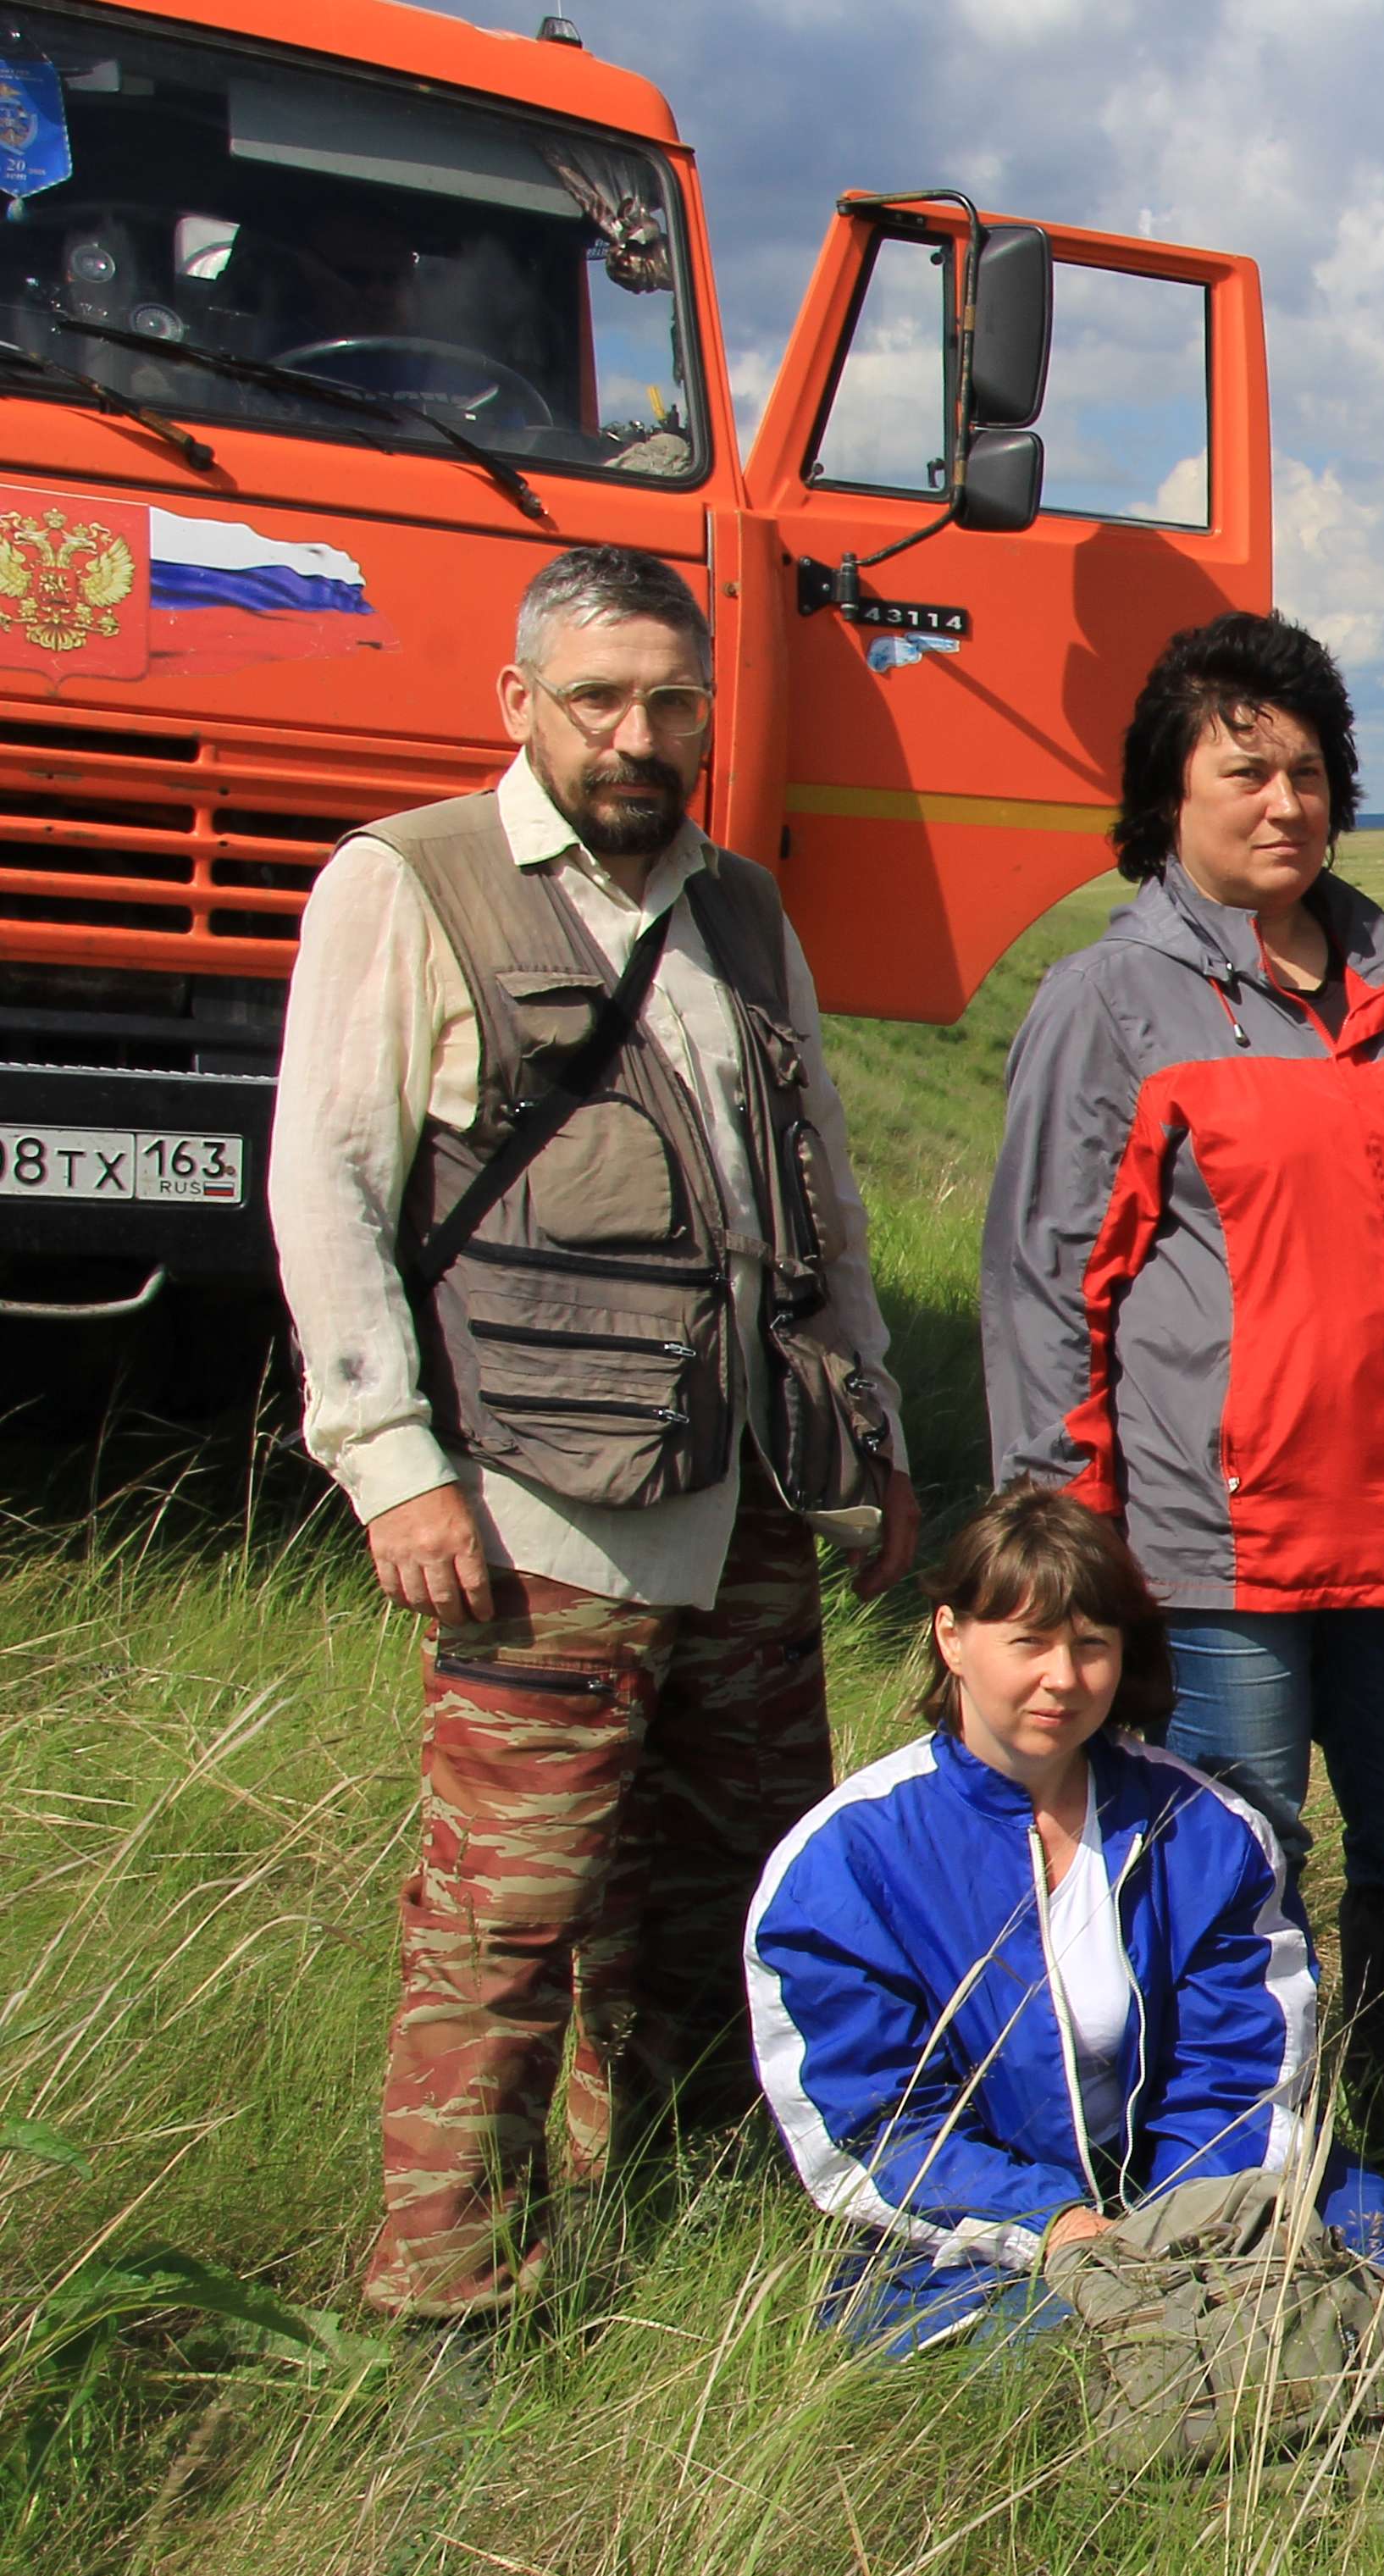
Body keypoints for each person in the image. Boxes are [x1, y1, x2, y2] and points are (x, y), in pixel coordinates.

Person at [270, 541, 920, 2333]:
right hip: (535, 1505)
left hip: (751, 1502)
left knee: (741, 1893)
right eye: (599, 700)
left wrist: (867, 1429)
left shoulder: (743, 908)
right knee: (507, 1924)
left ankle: (691, 2215)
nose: (638, 736)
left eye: (672, 702)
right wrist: (392, 1465)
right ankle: (449, 2297)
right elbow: (324, 1189)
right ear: (519, 704)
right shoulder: (408, 881)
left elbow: (820, 1198)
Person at [981, 613, 1384, 2163]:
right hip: (1215, 1535)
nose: (1286, 803)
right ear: (1166, 796)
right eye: (1245, 773)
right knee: (1233, 1855)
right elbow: (1047, 1280)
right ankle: (1229, 2172)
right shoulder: (1110, 1001)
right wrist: (1056, 1522)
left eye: (1308, 772)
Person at [743, 1487, 1384, 2365]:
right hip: (983, 2239)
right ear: (951, 1638)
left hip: (1204, 2191)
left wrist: (1180, 2230)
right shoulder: (841, 1864)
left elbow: (1241, 2071)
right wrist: (1059, 2228)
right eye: (1029, 1642)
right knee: (1066, 2365)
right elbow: (877, 2124)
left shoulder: (1204, 1829)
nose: (1063, 1678)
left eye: (1091, 1645)